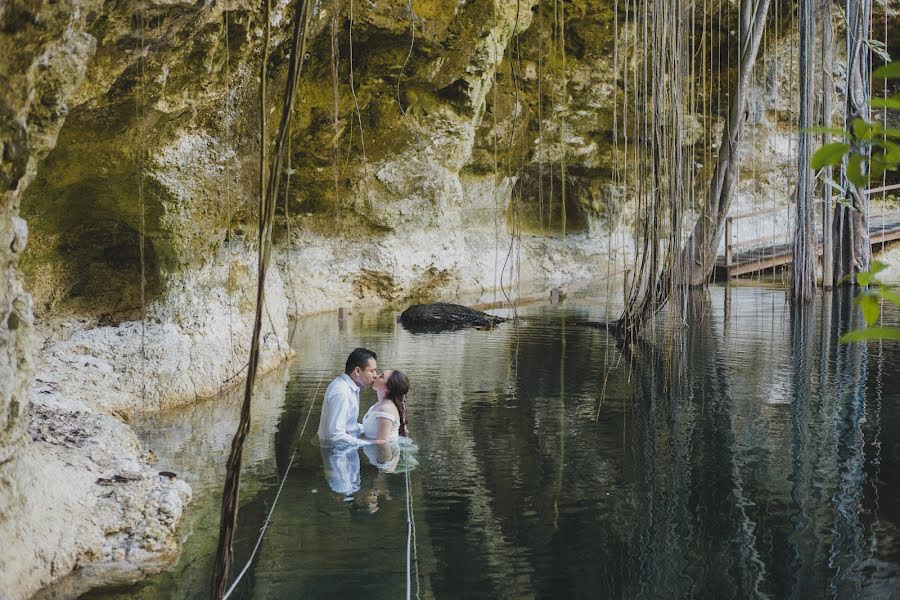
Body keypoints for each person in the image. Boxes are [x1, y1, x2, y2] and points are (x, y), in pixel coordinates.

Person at [317, 347, 383, 446]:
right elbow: (335, 435)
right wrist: (370, 443)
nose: (375, 375)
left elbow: (350, 426)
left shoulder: (350, 387)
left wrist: (375, 430)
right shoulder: (342, 392)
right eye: (372, 371)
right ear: (357, 371)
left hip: (346, 447)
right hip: (339, 455)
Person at [362, 369, 410, 443]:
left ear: (388, 387)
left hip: (385, 454)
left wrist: (355, 441)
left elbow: (382, 443)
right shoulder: (377, 405)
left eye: (381, 376)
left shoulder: (386, 409)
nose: (375, 376)